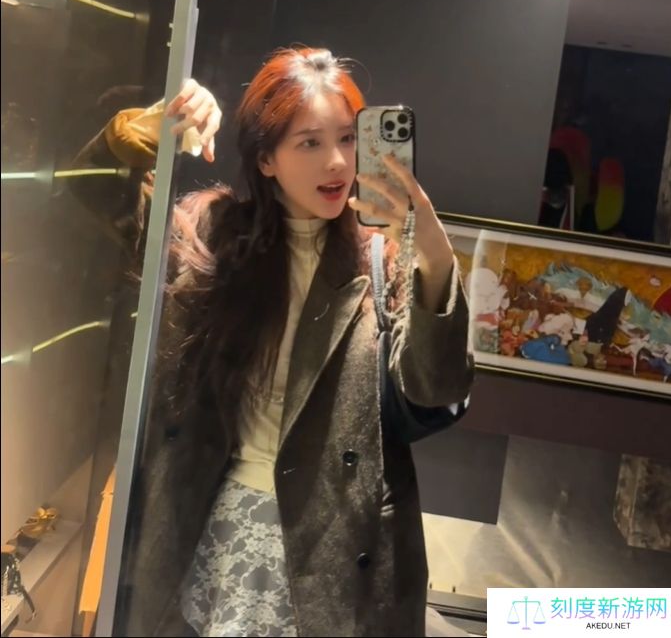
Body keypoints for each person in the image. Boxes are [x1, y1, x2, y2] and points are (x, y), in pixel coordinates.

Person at [73, 47, 473, 637]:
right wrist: (144, 129)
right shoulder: (212, 235)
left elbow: (436, 388)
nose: (337, 162)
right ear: (266, 159)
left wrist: (433, 254)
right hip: (211, 530)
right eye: (309, 143)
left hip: (335, 542)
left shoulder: (383, 258)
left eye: (347, 138)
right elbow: (95, 196)